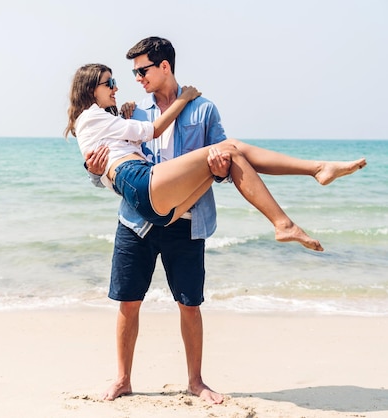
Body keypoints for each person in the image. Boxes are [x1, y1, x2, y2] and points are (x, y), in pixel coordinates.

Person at [66, 37, 366, 404]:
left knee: (190, 304)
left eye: (141, 70)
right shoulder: (132, 112)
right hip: (137, 220)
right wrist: (91, 170)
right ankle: (123, 379)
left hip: (186, 218)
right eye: (129, 73)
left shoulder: (203, 110)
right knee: (128, 302)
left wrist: (221, 171)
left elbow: (229, 168)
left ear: (165, 67)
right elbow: (108, 166)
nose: (134, 79)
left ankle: (196, 381)